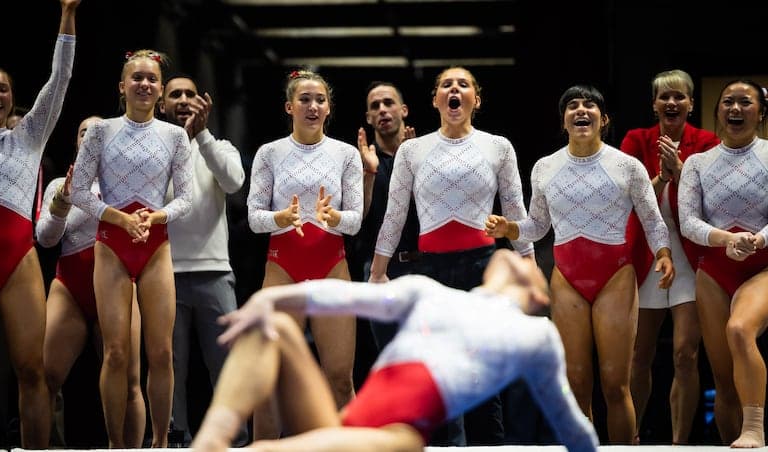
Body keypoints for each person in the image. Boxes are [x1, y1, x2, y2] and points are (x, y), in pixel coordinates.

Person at [191, 249, 599, 452]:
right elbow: (342, 295)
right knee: (274, 326)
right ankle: (210, 442)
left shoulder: (536, 334)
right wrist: (272, 300)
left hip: (394, 440)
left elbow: (572, 430)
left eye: (529, 262)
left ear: (538, 292)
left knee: (268, 451)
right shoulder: (429, 291)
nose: (516, 255)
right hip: (343, 429)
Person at [486, 84, 675, 444]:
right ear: (564, 121)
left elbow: (652, 219)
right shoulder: (544, 167)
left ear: (604, 120)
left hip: (615, 277)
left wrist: (663, 254)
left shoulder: (628, 166)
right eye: (572, 106)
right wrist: (510, 227)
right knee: (575, 382)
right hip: (567, 278)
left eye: (589, 105)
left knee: (615, 383)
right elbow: (538, 226)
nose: (580, 110)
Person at [369, 66, 533, 446]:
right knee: (437, 374)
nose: (454, 89)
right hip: (433, 272)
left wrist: (528, 266)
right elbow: (395, 215)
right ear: (435, 100)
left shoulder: (498, 146)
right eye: (446, 85)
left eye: (463, 84)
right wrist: (378, 274)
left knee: (482, 375)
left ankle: (487, 447)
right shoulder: (412, 150)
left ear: (477, 98)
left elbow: (515, 210)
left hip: (483, 267)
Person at [0, 0, 79, 448]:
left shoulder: (30, 137)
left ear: (13, 97)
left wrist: (66, 18)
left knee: (33, 370)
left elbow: (59, 82)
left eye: (3, 90)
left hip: (20, 260)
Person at [70, 49, 193, 448]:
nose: (144, 84)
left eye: (151, 79)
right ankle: (115, 445)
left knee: (160, 352)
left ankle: (159, 442)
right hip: (111, 243)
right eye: (136, 78)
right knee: (117, 353)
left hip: (154, 244)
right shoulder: (102, 131)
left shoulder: (174, 136)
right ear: (122, 86)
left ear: (160, 90)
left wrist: (156, 218)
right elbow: (77, 191)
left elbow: (187, 198)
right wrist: (118, 218)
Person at [246, 68, 363, 439]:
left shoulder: (346, 154)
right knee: (270, 378)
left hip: (332, 264)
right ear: (289, 107)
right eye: (305, 100)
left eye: (320, 100)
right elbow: (253, 218)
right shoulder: (269, 153)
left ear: (329, 108)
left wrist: (335, 216)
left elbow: (356, 220)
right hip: (283, 264)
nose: (313, 106)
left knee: (341, 379)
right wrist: (279, 217)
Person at [619, 69, 720, 445]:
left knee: (684, 355)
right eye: (664, 97)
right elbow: (628, 199)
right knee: (638, 355)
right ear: (654, 105)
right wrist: (661, 177)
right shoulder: (635, 140)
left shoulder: (707, 143)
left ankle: (679, 442)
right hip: (646, 255)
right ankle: (630, 437)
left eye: (679, 96)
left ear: (691, 104)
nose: (672, 103)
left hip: (691, 258)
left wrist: (681, 174)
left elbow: (712, 204)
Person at [37, 116, 146, 448]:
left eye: (101, 131)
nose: (92, 136)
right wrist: (63, 202)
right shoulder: (59, 184)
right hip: (71, 285)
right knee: (45, 377)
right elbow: (45, 239)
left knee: (128, 378)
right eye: (85, 131)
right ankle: (47, 446)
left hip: (117, 282)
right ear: (76, 142)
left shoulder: (128, 182)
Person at [158, 75, 248, 446]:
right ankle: (175, 435)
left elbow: (234, 182)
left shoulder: (220, 145)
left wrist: (203, 136)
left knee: (226, 363)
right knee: (170, 365)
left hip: (215, 271)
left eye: (190, 94)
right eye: (175, 94)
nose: (182, 100)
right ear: (162, 105)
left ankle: (235, 438)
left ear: (202, 103)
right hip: (164, 271)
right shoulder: (153, 148)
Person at [678, 79, 768, 448]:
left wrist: (757, 240)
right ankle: (733, 440)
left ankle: (755, 429)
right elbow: (688, 221)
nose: (735, 109)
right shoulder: (699, 163)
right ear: (716, 112)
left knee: (739, 330)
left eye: (745, 102)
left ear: (761, 113)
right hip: (715, 269)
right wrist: (726, 240)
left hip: (762, 265)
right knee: (723, 377)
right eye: (727, 102)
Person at [351, 81, 417, 350]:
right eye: (375, 106)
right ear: (368, 118)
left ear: (403, 110)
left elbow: (429, 212)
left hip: (423, 267)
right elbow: (357, 219)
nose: (382, 110)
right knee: (390, 356)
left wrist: (410, 167)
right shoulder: (357, 161)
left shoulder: (423, 154)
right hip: (379, 269)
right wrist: (369, 173)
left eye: (388, 103)